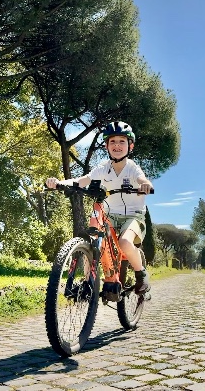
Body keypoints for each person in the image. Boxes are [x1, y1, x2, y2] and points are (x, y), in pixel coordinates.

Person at [46, 121, 152, 294]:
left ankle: (141, 274)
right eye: (112, 141)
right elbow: (82, 180)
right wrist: (59, 183)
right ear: (106, 146)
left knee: (125, 242)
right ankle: (89, 281)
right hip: (110, 214)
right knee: (95, 239)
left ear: (130, 146)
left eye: (122, 141)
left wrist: (145, 184)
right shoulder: (103, 168)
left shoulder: (132, 168)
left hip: (133, 216)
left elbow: (142, 179)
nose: (117, 145)